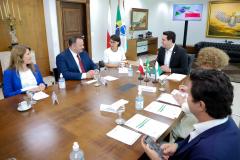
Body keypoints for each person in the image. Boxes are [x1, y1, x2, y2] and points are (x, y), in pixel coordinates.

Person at [141, 69, 240, 160]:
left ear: (201, 105)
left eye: (188, 94)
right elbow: (195, 138)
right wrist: (178, 146)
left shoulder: (207, 155)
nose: (185, 98)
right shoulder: (225, 119)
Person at [171, 47, 230, 141]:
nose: (200, 67)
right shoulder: (221, 79)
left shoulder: (208, 81)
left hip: (199, 124)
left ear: (209, 64)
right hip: (214, 121)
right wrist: (190, 89)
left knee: (172, 126)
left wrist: (181, 101)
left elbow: (196, 107)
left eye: (203, 65)